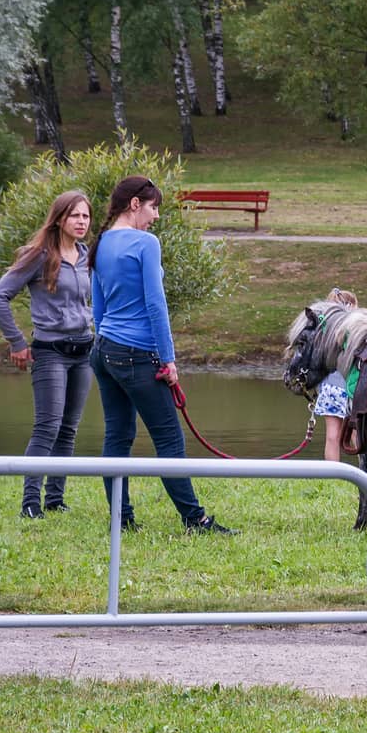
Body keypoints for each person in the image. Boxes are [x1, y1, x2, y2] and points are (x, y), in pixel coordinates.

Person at [89, 175, 234, 534]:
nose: (155, 216)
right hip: (137, 354)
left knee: (117, 436)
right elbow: (156, 304)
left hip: (104, 349)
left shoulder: (102, 241)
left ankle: (121, 520)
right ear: (135, 204)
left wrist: (108, 343)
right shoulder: (145, 243)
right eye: (153, 207)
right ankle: (195, 520)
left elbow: (99, 307)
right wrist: (168, 359)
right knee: (169, 439)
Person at [0, 191, 95, 519]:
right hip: (50, 352)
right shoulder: (38, 256)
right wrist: (18, 342)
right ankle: (30, 503)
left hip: (85, 351)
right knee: (47, 426)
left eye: (86, 216)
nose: (81, 222)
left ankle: (55, 500)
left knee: (69, 428)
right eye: (75, 216)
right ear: (59, 218)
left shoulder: (87, 254)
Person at [314, 288, 358, 462]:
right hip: (352, 387)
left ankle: (333, 478)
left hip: (330, 386)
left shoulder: (324, 330)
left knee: (332, 436)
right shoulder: (354, 329)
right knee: (356, 434)